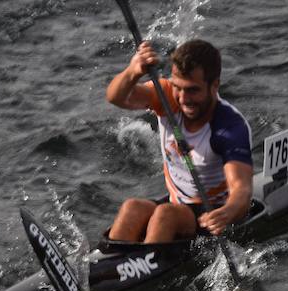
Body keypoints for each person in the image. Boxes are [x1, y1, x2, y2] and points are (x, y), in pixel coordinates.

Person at [105, 38, 253, 244]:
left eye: (192, 90)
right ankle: (113, 260)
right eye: (178, 87)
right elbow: (116, 97)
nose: (183, 98)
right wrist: (133, 72)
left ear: (214, 86)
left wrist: (227, 213)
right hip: (176, 205)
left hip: (210, 213)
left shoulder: (229, 127)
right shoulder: (166, 96)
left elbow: (242, 191)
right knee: (132, 207)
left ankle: (147, 261)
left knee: (166, 215)